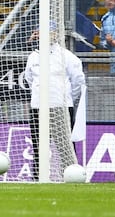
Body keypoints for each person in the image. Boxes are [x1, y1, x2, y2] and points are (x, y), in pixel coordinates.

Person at [23, 23, 85, 181]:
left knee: (65, 146)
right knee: (38, 145)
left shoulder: (67, 56)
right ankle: (38, 177)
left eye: (49, 32)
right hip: (37, 107)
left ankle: (70, 176)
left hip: (61, 107)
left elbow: (78, 81)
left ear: (56, 34)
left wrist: (66, 98)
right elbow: (29, 79)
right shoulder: (33, 56)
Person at [100, 0, 115, 74]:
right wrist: (108, 42)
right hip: (114, 65)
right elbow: (102, 41)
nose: (109, 0)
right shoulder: (105, 19)